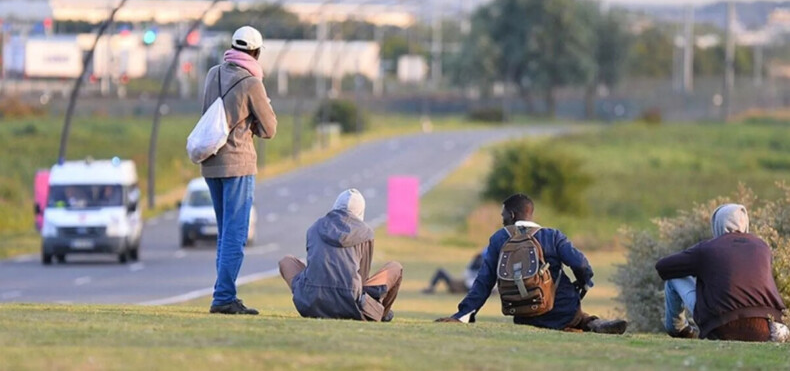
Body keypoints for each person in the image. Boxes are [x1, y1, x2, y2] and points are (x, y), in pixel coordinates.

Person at [436, 193, 628, 334]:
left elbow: (484, 282)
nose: (502, 219)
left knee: (565, 318)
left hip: (523, 315)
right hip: (562, 311)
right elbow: (581, 265)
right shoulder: (552, 236)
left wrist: (463, 315)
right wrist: (584, 282)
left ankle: (586, 324)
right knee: (576, 314)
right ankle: (590, 323)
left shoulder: (499, 239)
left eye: (503, 215)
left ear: (512, 215)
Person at [202, 26, 277, 315]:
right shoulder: (252, 83)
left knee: (224, 233)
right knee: (236, 233)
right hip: (238, 163)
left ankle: (222, 293)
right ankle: (223, 297)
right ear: (256, 52)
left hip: (211, 162)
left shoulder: (213, 74)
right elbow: (269, 128)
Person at [655, 204, 787, 341]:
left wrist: (698, 269)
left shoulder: (707, 249)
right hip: (765, 329)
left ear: (717, 224)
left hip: (722, 328)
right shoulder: (762, 247)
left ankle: (679, 330)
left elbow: (663, 267)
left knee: (674, 278)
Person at [279, 189, 402, 322]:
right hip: (350, 307)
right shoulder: (366, 233)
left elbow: (313, 265)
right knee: (395, 268)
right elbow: (362, 277)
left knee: (286, 261)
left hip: (310, 304)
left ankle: (312, 296)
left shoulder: (315, 227)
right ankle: (381, 313)